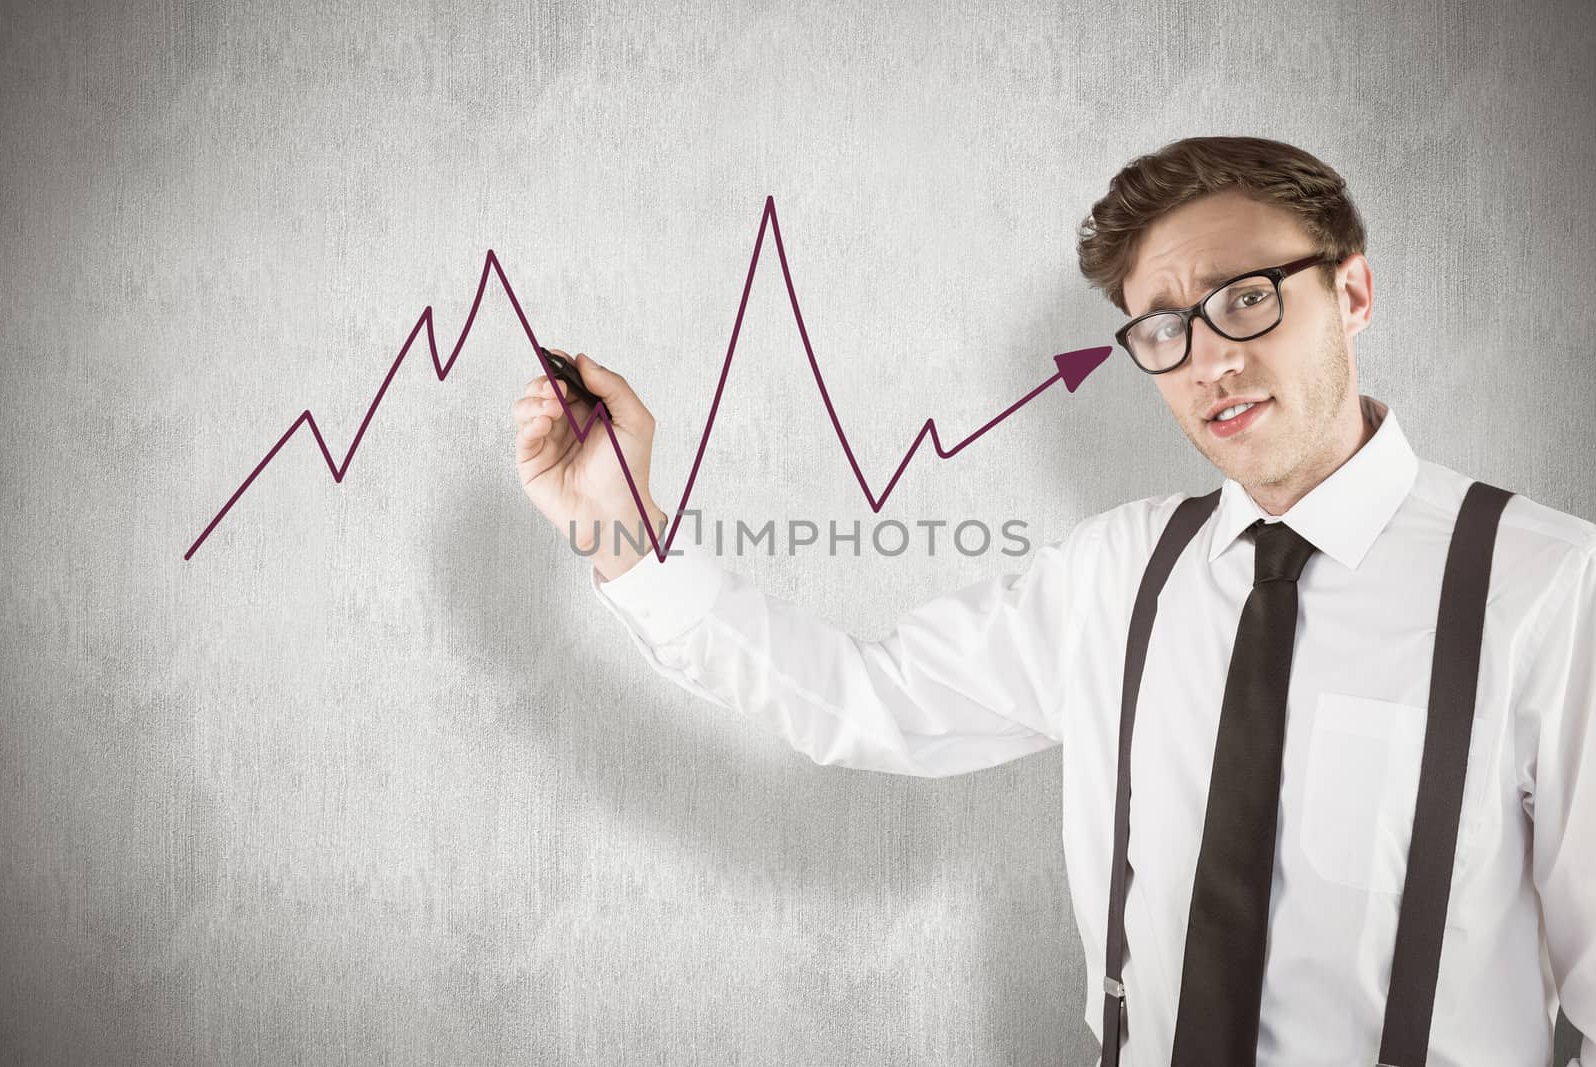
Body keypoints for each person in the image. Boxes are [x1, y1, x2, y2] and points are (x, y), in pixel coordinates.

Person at [509, 136, 1594, 1067]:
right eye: (1162, 329)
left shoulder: (1548, 585)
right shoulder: (1119, 569)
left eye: (1245, 299)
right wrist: (620, 523)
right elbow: (858, 698)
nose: (1208, 358)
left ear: (1351, 292)